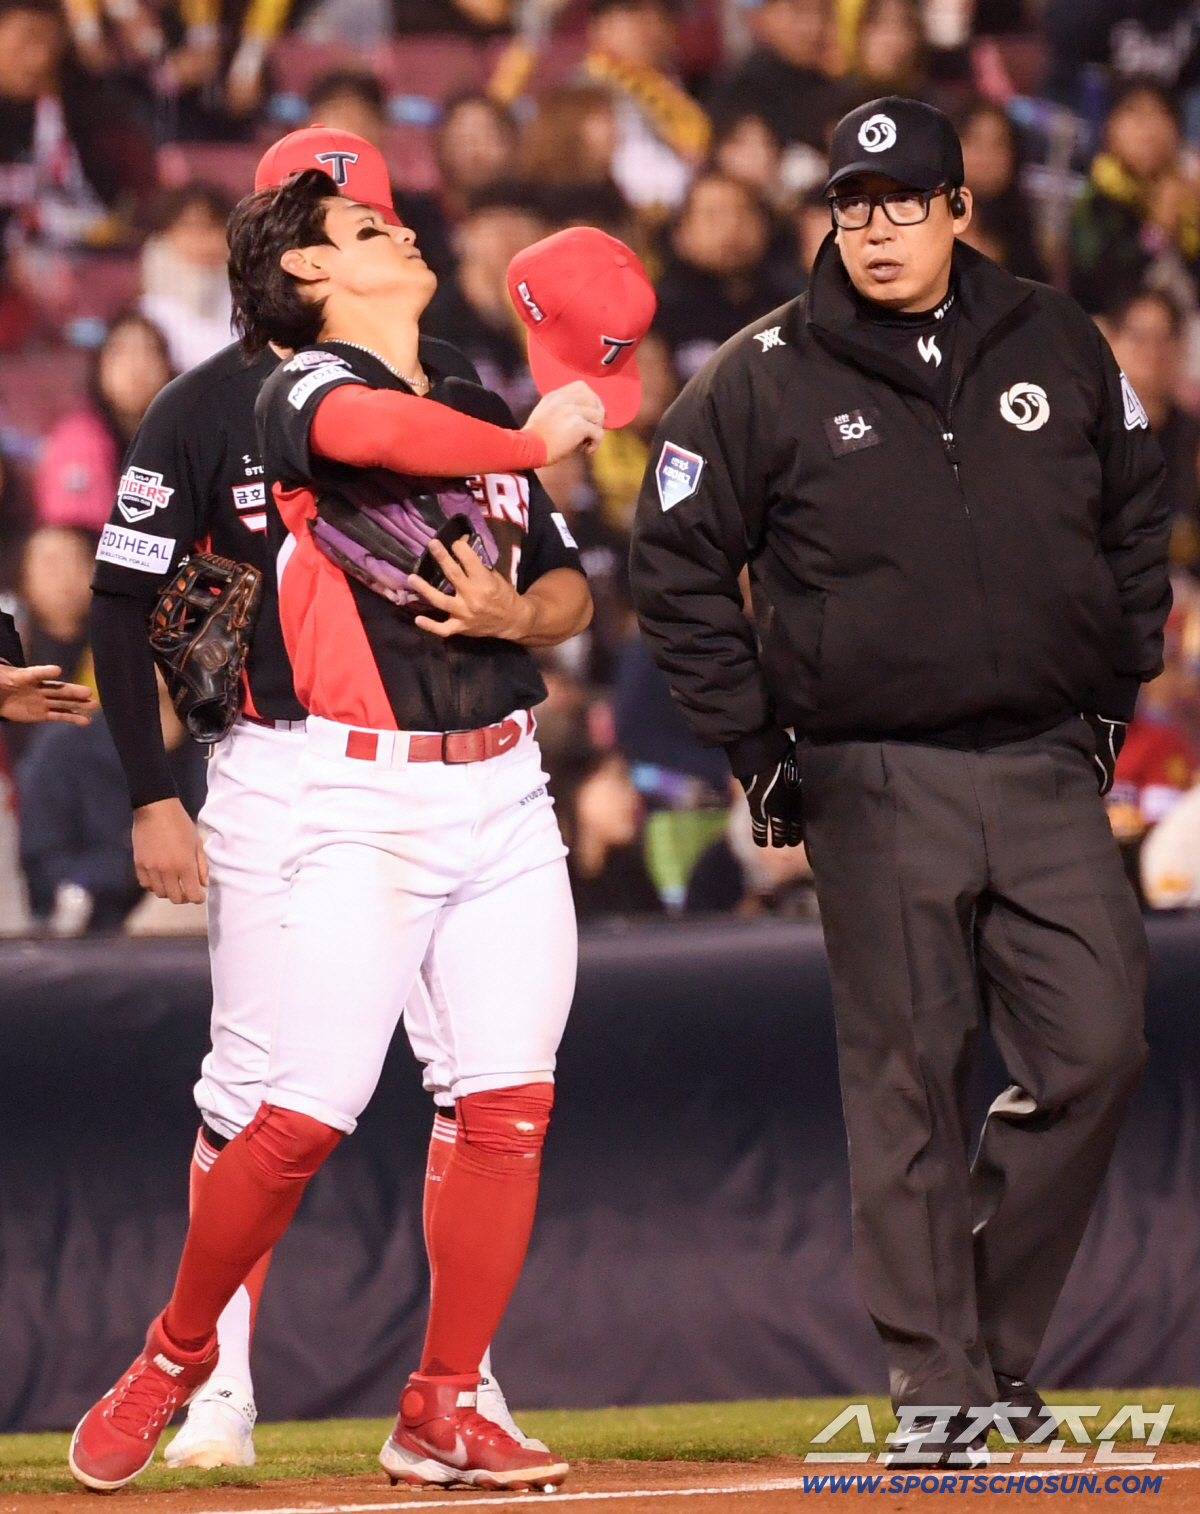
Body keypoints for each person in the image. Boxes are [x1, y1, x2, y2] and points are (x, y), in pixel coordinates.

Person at [629, 95, 1170, 1465]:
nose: (874, 229)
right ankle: (943, 1388)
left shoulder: (1056, 333)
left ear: (958, 210)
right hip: (872, 772)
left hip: (1048, 761)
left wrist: (1115, 692)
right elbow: (675, 558)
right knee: (909, 1081)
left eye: (902, 202)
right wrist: (756, 747)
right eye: (851, 205)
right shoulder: (762, 373)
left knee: (1100, 1048)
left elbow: (1136, 508)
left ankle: (980, 1339)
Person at [68, 165, 608, 1492]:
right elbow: (382, 439)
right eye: (364, 226)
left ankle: (442, 1401)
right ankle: (179, 1352)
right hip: (345, 793)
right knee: (299, 1111)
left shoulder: (472, 394)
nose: (402, 225)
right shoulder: (291, 389)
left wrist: (515, 615)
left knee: (507, 1100)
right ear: (307, 275)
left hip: (502, 780)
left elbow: (567, 589)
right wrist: (539, 438)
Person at [18, 669, 205, 931]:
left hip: (204, 939)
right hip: (92, 945)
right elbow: (45, 873)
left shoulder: (222, 752)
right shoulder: (65, 747)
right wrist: (137, 868)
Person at [305, 69, 455, 281]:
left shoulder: (420, 212)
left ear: (381, 129)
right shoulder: (287, 212)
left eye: (360, 116)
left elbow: (437, 278)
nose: (348, 128)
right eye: (336, 114)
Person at [654, 170, 802, 382]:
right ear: (680, 233)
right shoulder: (660, 313)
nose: (732, 228)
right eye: (713, 216)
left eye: (743, 213)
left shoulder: (794, 302)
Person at [1069, 80, 1200, 315]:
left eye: (1159, 113)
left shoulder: (1188, 196)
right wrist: (1158, 231)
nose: (1147, 128)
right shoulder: (1097, 198)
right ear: (1109, 126)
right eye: (1134, 113)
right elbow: (1096, 283)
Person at [35, 312, 173, 533]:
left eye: (150, 351)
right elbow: (73, 533)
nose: (137, 365)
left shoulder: (190, 434)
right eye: (121, 352)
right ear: (99, 366)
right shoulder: (75, 438)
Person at [1100, 288, 1200, 571]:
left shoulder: (1192, 438)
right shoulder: (1086, 437)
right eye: (1139, 337)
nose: (1152, 352)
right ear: (1111, 341)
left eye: (1165, 337)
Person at [582, 0, 711, 215]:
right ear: (599, 26)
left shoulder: (685, 90)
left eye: (663, 16)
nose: (653, 26)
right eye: (635, 13)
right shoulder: (584, 94)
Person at [139, 184, 235, 374]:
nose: (201, 238)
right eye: (189, 227)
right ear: (165, 234)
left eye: (211, 226)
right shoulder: (149, 312)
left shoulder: (252, 302)